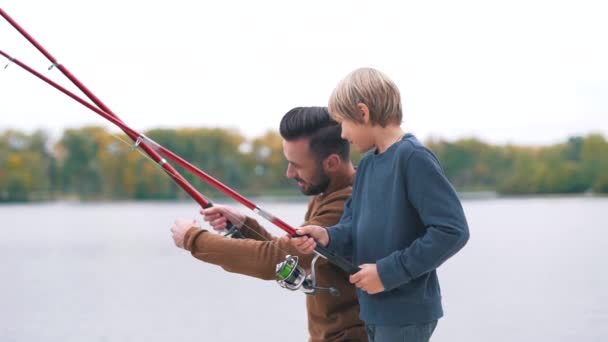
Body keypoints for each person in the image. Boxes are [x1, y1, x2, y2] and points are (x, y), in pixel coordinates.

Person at [289, 68, 470, 342]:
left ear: (363, 113)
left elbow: (453, 231)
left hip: (406, 313)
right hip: (373, 310)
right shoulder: (369, 165)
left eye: (343, 123)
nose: (343, 134)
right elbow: (352, 225)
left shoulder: (413, 158)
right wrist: (325, 235)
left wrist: (387, 273)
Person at [170, 106, 368, 342]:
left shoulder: (345, 202)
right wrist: (244, 225)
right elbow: (293, 253)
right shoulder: (327, 192)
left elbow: (277, 260)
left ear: (332, 162)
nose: (289, 173)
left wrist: (193, 239)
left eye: (297, 165)